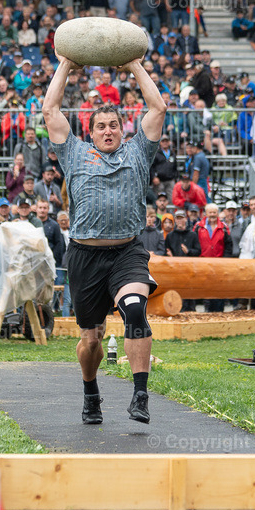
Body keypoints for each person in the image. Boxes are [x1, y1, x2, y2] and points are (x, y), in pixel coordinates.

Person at [44, 53, 166, 426]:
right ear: (91, 131)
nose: (109, 131)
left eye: (114, 125)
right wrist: (65, 64)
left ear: (122, 128)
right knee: (91, 339)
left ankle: (140, 394)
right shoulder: (75, 152)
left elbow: (158, 107)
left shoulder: (137, 150)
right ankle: (90, 391)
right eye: (101, 127)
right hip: (84, 256)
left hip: (127, 251)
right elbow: (50, 110)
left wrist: (134, 66)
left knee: (134, 311)